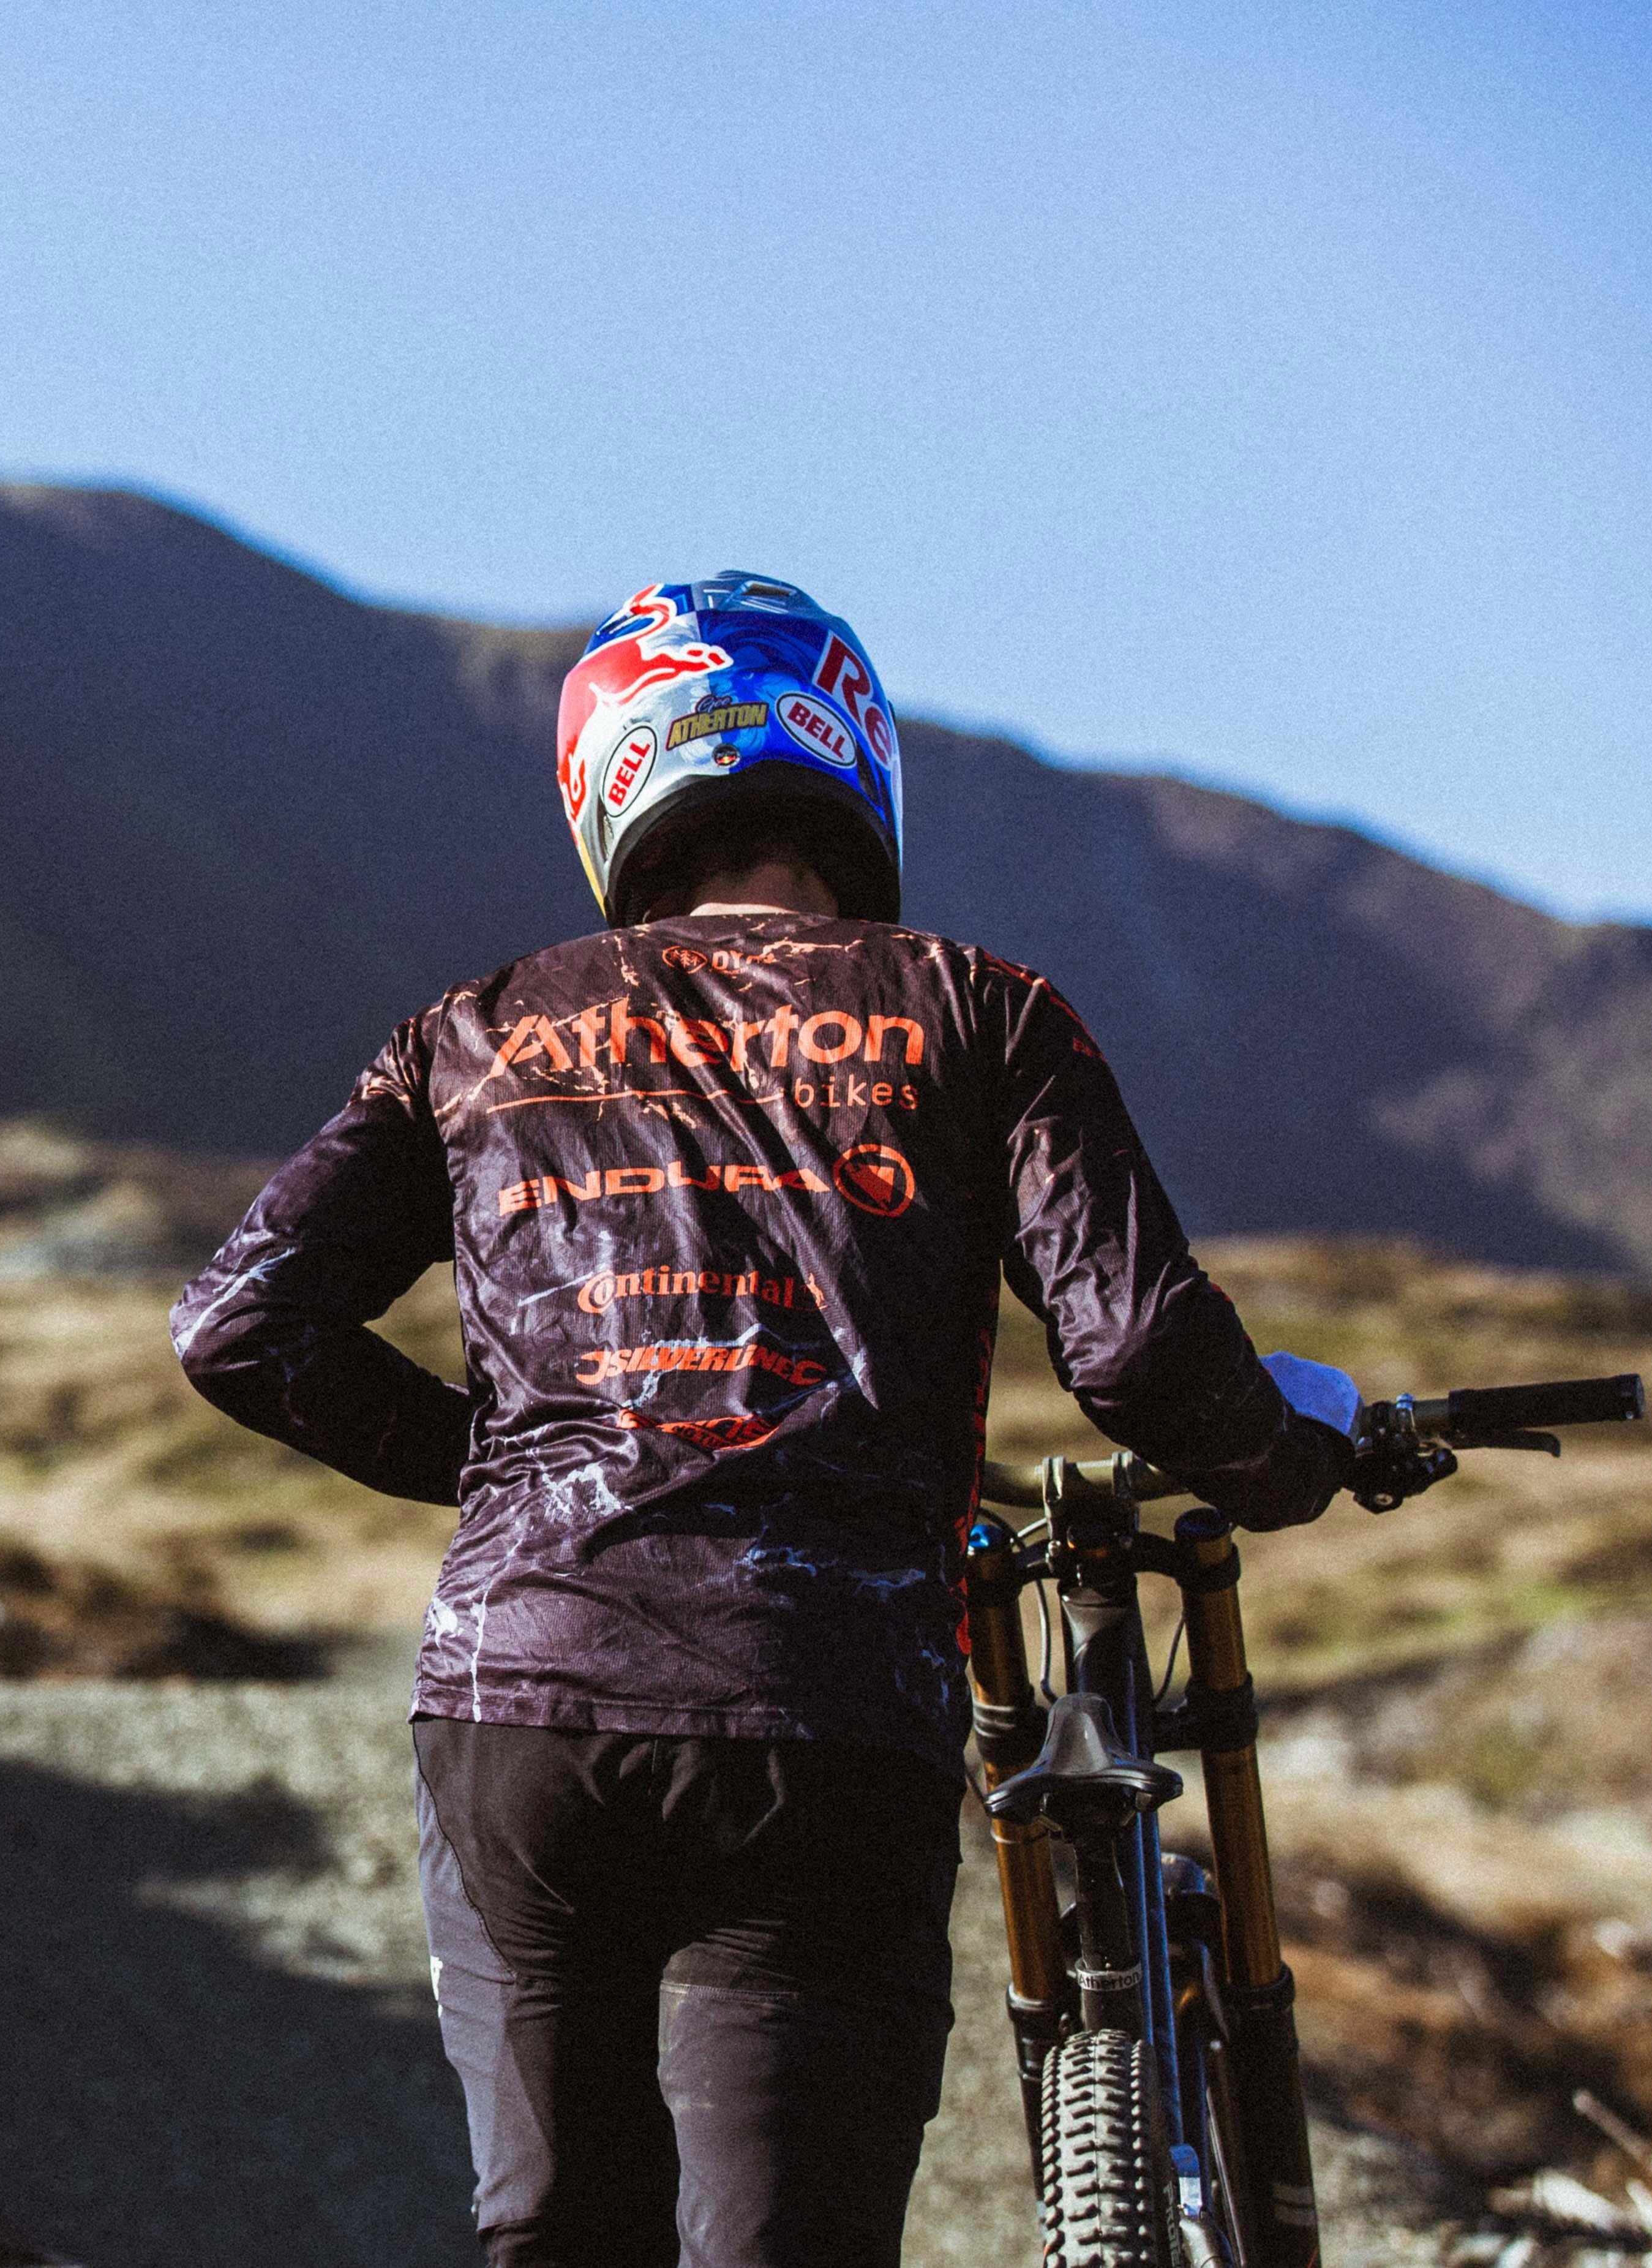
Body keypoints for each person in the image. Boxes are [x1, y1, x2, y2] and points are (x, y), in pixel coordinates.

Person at [168, 573, 1356, 2268]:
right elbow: (1142, 1351)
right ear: (854, 757)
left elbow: (238, 1325)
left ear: (609, 789)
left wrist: (512, 1471)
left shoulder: (471, 1032)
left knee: (552, 2235)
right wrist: (1291, 1459)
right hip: (824, 1706)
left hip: (521, 1703)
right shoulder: (983, 1009)